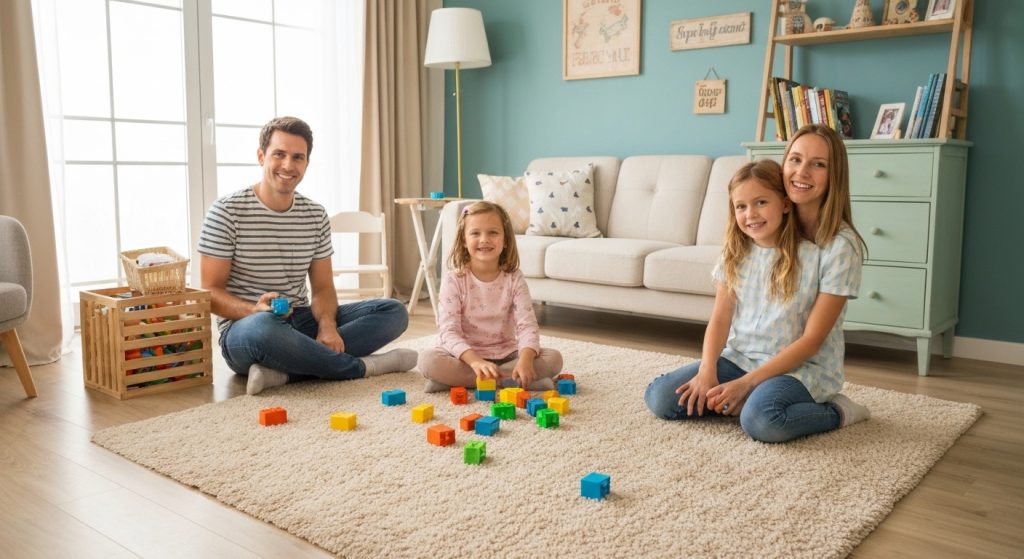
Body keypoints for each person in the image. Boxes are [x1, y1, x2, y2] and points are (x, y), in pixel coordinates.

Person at [644, 159, 870, 443]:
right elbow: (720, 318)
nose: (751, 214)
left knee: (763, 421)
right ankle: (738, 398)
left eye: (761, 202)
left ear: (785, 204)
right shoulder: (735, 253)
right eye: (741, 206)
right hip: (740, 358)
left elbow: (812, 341)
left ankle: (838, 411)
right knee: (660, 397)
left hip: (797, 369)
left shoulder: (813, 256)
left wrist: (745, 385)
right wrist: (707, 370)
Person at [198, 116, 416, 395]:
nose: (288, 165)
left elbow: (323, 287)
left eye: (298, 157)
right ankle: (365, 367)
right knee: (264, 327)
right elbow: (210, 292)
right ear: (261, 156)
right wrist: (254, 309)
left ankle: (281, 374)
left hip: (300, 321)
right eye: (279, 154)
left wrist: (327, 326)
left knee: (394, 311)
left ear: (306, 164)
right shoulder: (226, 212)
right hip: (246, 330)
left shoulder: (314, 214)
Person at [417, 201, 563, 393]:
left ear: (505, 240)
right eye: (475, 233)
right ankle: (513, 380)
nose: (484, 239)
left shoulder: (514, 279)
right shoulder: (454, 280)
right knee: (428, 361)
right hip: (465, 358)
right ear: (463, 240)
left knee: (554, 358)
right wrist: (476, 362)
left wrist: (526, 360)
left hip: (507, 355)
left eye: (493, 232)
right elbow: (448, 331)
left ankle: (459, 381)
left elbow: (527, 326)